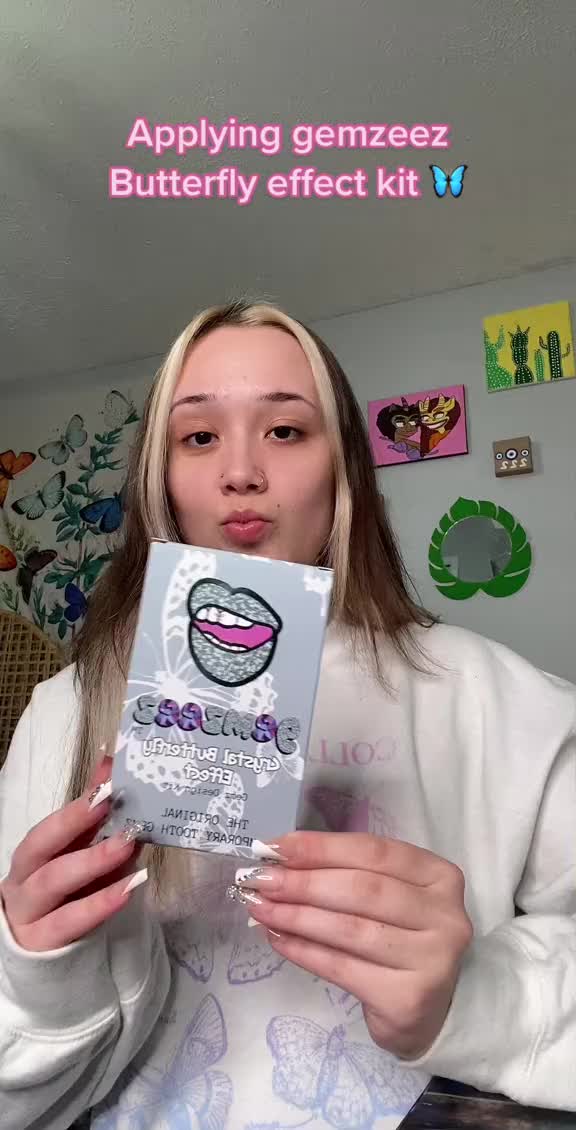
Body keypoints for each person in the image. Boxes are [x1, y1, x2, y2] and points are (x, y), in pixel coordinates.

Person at [0, 298, 574, 1130]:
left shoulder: (496, 695)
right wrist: (42, 976)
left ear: (344, 468)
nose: (241, 472)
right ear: (160, 476)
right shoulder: (65, 713)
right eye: (199, 436)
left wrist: (472, 998)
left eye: (285, 430)